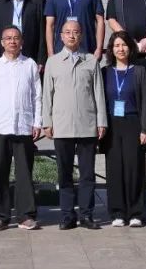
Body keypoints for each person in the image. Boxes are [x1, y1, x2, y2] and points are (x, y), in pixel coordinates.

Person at [43, 20, 107, 230]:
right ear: (60, 36)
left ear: (81, 35)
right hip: (62, 126)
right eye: (67, 32)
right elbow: (47, 95)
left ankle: (87, 214)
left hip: (87, 125)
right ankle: (67, 215)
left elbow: (98, 93)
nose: (71, 35)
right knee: (65, 174)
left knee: (87, 174)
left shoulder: (91, 61)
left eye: (76, 32)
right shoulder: (53, 62)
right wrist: (47, 121)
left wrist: (101, 121)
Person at [0, 26, 42, 231]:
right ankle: (0, 216)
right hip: (0, 127)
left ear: (22, 42)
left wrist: (37, 122)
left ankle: (25, 215)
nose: (12, 41)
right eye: (8, 38)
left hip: (24, 126)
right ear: (2, 42)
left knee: (24, 173)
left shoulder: (30, 64)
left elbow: (37, 96)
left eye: (16, 38)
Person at [101, 32, 146, 227]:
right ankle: (117, 213)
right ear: (111, 49)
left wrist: (145, 128)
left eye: (124, 45)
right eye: (116, 45)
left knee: (134, 168)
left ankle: (136, 212)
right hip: (112, 125)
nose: (120, 49)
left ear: (130, 48)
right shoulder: (105, 72)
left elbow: (145, 101)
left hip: (133, 122)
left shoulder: (139, 71)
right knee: (114, 169)